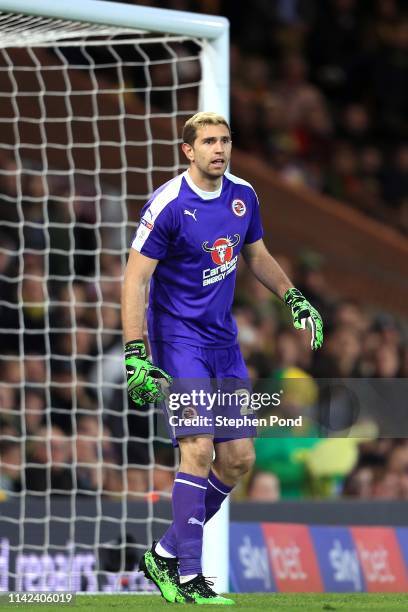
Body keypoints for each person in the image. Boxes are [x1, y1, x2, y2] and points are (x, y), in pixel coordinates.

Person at [121, 111, 323, 605]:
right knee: (198, 447)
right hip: (178, 340)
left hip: (223, 342)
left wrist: (291, 295)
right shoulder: (169, 204)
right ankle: (190, 577)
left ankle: (165, 554)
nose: (219, 148)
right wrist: (135, 351)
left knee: (238, 459)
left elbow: (255, 253)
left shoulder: (244, 196)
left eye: (226, 140)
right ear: (188, 150)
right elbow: (135, 279)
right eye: (209, 141)